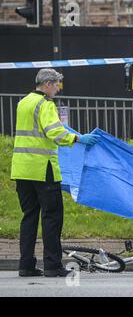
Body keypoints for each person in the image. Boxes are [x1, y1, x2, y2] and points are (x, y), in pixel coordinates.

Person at [11, 68, 100, 277]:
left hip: (22, 169)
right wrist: (78, 139)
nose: (58, 89)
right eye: (57, 85)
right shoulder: (45, 104)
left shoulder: (23, 102)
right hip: (43, 169)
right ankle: (52, 266)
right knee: (52, 217)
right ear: (48, 84)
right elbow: (54, 132)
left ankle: (26, 265)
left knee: (29, 217)